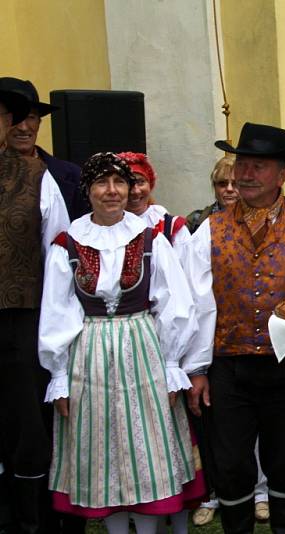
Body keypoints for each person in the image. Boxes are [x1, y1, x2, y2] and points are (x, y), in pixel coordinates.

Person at [181, 122, 285, 533]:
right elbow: (199, 304)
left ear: (282, 174)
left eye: (259, 166)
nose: (245, 173)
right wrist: (197, 369)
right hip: (228, 369)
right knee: (230, 463)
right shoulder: (209, 231)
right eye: (242, 164)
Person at [38, 152, 199, 534]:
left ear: (129, 189)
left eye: (119, 183)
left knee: (145, 444)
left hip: (142, 347)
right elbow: (57, 311)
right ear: (88, 190)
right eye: (101, 183)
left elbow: (176, 303)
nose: (111, 191)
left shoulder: (150, 239)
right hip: (88, 352)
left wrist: (172, 364)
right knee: (100, 445)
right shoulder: (69, 243)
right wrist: (58, 373)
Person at [0, 84, 70, 534]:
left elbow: (59, 257)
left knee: (26, 424)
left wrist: (53, 331)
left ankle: (30, 522)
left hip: (21, 320)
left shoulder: (39, 177)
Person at [0, 77, 89, 221]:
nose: (23, 127)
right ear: (4, 122)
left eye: (31, 117)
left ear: (39, 122)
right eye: (16, 119)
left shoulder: (72, 176)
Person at [117, 152, 191, 249]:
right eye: (128, 183)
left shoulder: (171, 227)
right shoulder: (105, 227)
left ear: (150, 184)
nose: (135, 191)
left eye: (141, 182)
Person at [185, 154, 238, 234]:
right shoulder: (195, 221)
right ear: (214, 186)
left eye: (235, 184)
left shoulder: (259, 222)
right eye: (222, 183)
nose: (229, 189)